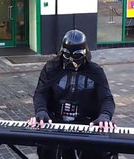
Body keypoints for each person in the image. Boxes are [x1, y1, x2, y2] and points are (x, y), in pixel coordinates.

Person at [29, 29, 115, 159]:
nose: (70, 61)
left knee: (97, 151)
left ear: (85, 54)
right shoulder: (52, 68)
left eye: (76, 56)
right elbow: (41, 93)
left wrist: (105, 116)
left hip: (87, 123)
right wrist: (41, 111)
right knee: (47, 150)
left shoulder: (95, 71)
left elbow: (106, 98)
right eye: (66, 55)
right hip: (55, 122)